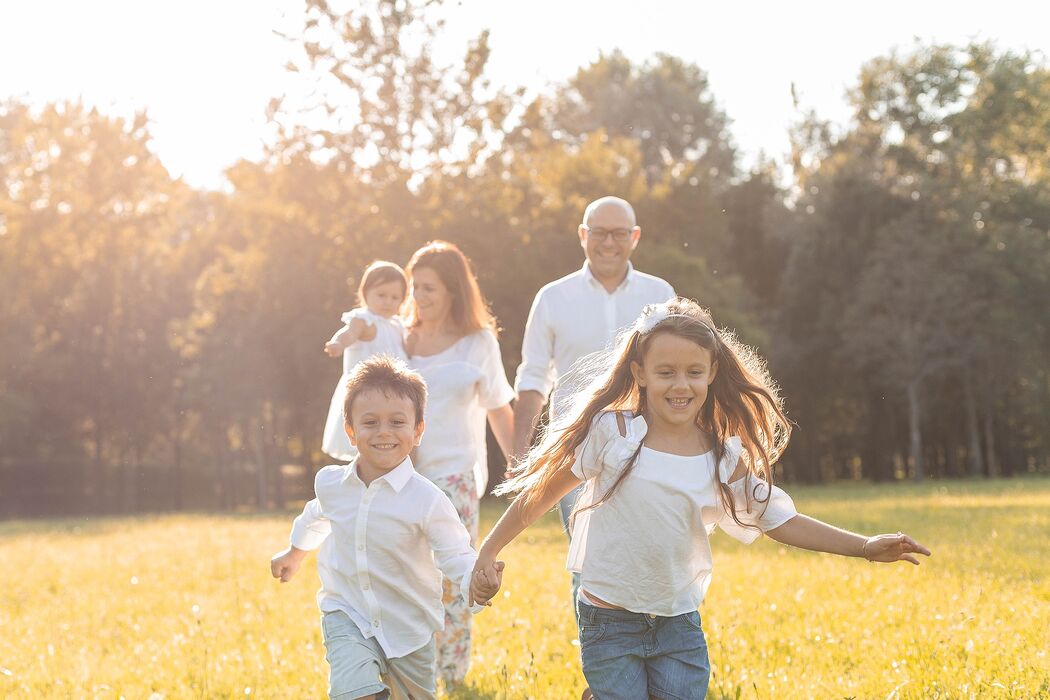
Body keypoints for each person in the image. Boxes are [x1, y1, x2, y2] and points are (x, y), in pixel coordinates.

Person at [473, 298, 931, 700]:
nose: (680, 385)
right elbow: (541, 492)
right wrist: (490, 550)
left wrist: (866, 546)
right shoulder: (613, 433)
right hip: (609, 619)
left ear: (712, 373)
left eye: (693, 372)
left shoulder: (722, 457)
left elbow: (780, 520)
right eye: (665, 372)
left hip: (678, 623)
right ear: (640, 373)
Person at [270, 356, 501, 700]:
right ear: (350, 430)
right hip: (346, 614)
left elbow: (454, 553)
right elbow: (315, 515)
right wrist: (295, 551)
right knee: (354, 690)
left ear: (417, 430)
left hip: (409, 627)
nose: (383, 432)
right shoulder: (331, 483)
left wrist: (475, 582)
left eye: (397, 422)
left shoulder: (427, 500)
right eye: (370, 422)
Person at [512, 195, 674, 601]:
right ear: (582, 235)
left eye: (619, 234)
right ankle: (600, 657)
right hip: (576, 448)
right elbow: (532, 378)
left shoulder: (661, 294)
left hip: (648, 445)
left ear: (634, 237)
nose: (608, 243)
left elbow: (678, 369)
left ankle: (648, 644)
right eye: (599, 233)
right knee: (587, 563)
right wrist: (519, 460)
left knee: (649, 553)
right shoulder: (552, 297)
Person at [402, 240, 516, 687]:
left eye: (428, 288)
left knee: (452, 579)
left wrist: (521, 469)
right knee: (405, 577)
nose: (419, 297)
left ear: (453, 290)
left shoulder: (477, 343)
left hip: (455, 479)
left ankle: (450, 676)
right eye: (415, 288)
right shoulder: (400, 337)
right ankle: (409, 670)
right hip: (401, 477)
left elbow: (499, 408)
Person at [321, 261, 408, 461]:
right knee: (366, 438)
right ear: (365, 293)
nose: (388, 301)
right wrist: (338, 344)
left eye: (395, 297)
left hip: (394, 393)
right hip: (365, 392)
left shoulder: (398, 326)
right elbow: (349, 333)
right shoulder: (364, 320)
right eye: (381, 295)